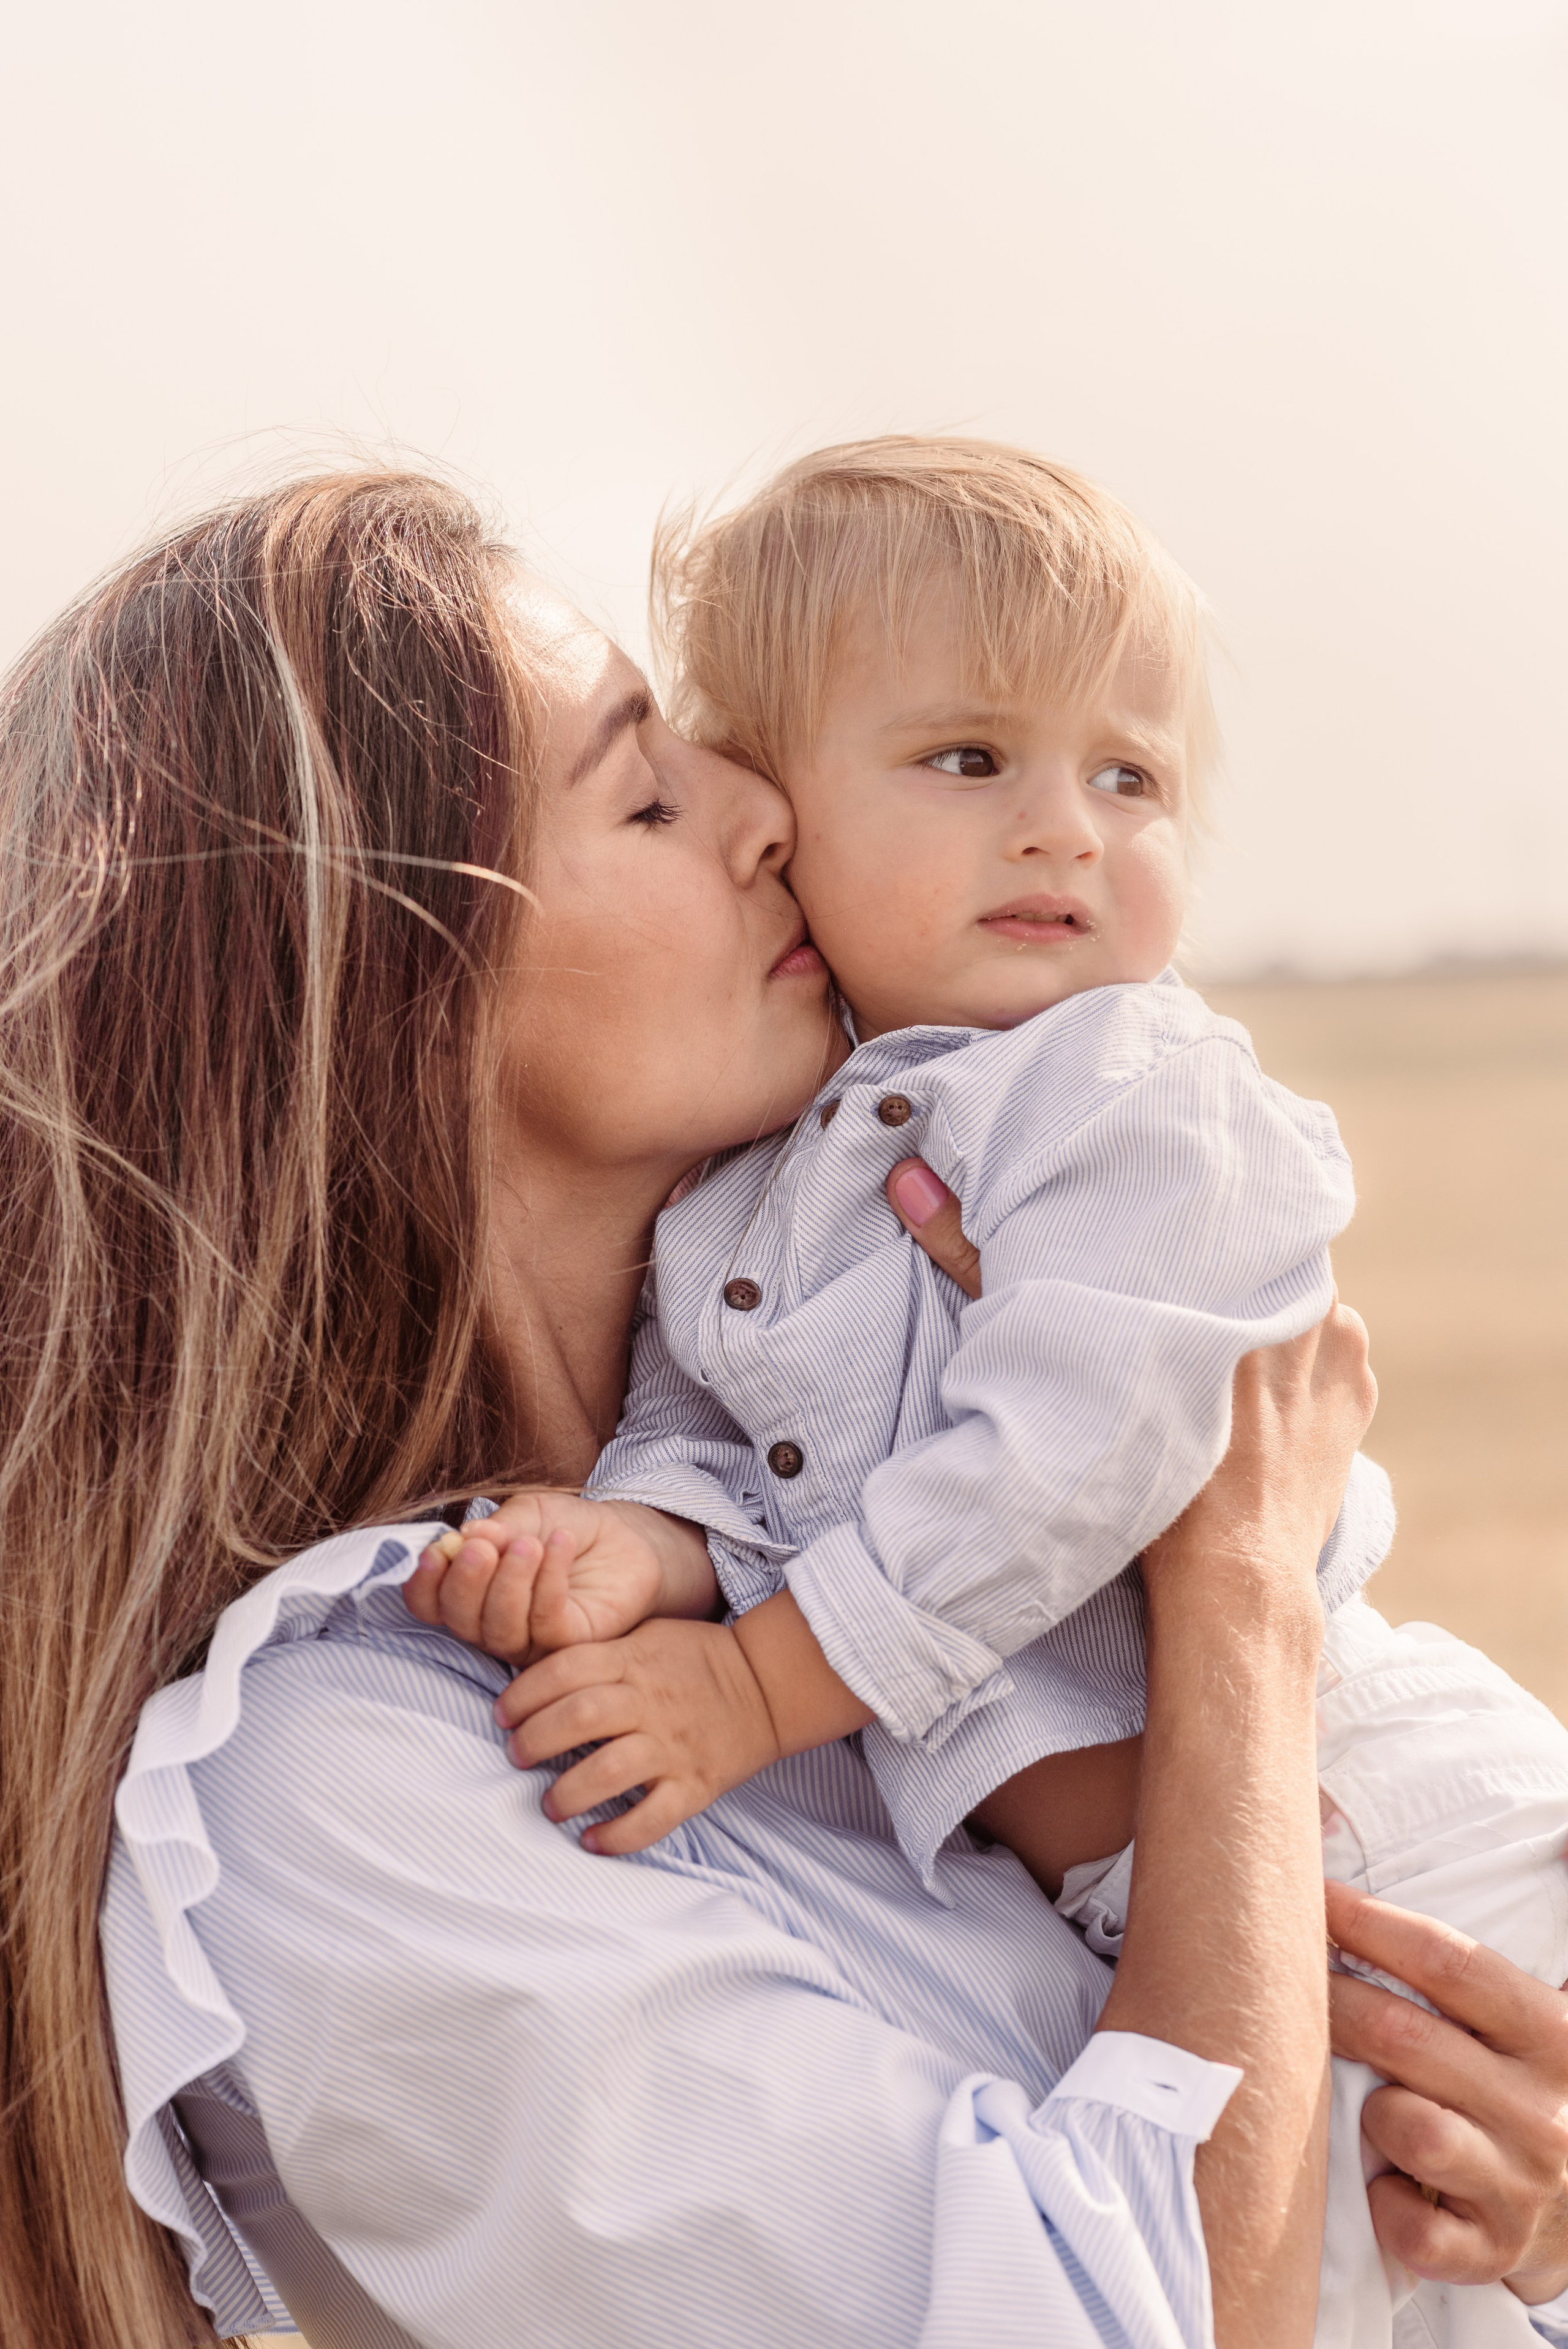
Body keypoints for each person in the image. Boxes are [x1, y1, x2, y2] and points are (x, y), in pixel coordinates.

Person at [0, 473, 1559, 2349]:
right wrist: (1236, 1583)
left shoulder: (789, 1491)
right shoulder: (338, 1794)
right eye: (649, 792)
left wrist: (1528, 2219)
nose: (764, 809)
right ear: (405, 989)